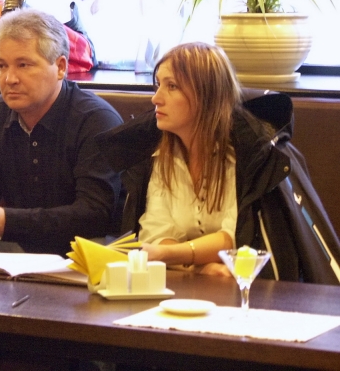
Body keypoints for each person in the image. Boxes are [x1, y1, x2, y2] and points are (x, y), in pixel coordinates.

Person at [0, 8, 124, 256]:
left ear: (60, 67)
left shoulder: (95, 120)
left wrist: (6, 222)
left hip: (82, 245)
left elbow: (95, 214)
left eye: (23, 65)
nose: (9, 79)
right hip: (18, 242)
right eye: (2, 65)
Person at [98, 42, 287, 276]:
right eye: (158, 85)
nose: (156, 98)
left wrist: (169, 255)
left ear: (207, 95)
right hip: (187, 283)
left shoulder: (245, 153)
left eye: (172, 86)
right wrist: (202, 267)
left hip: (254, 287)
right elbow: (156, 234)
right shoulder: (160, 154)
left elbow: (236, 237)